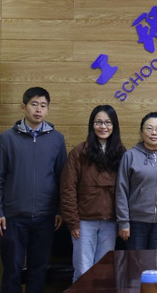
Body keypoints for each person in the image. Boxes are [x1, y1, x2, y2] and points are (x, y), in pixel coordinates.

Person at [0, 86, 67, 293]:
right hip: (13, 218)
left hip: (45, 217)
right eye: (34, 104)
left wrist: (59, 210)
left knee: (38, 271)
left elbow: (62, 179)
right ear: (23, 107)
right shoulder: (7, 139)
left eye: (43, 106)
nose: (38, 110)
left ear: (48, 109)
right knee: (12, 271)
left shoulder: (57, 139)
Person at [60, 105, 126, 282]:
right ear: (92, 125)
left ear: (114, 126)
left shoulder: (121, 153)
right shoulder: (79, 152)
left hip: (110, 222)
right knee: (83, 270)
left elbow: (126, 190)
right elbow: (67, 189)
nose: (103, 127)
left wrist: (122, 221)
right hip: (83, 222)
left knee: (104, 271)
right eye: (98, 122)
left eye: (108, 122)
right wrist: (72, 221)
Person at [116, 112, 157, 249]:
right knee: (136, 260)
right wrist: (123, 222)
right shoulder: (130, 156)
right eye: (149, 128)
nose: (154, 133)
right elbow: (121, 190)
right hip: (136, 222)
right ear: (141, 131)